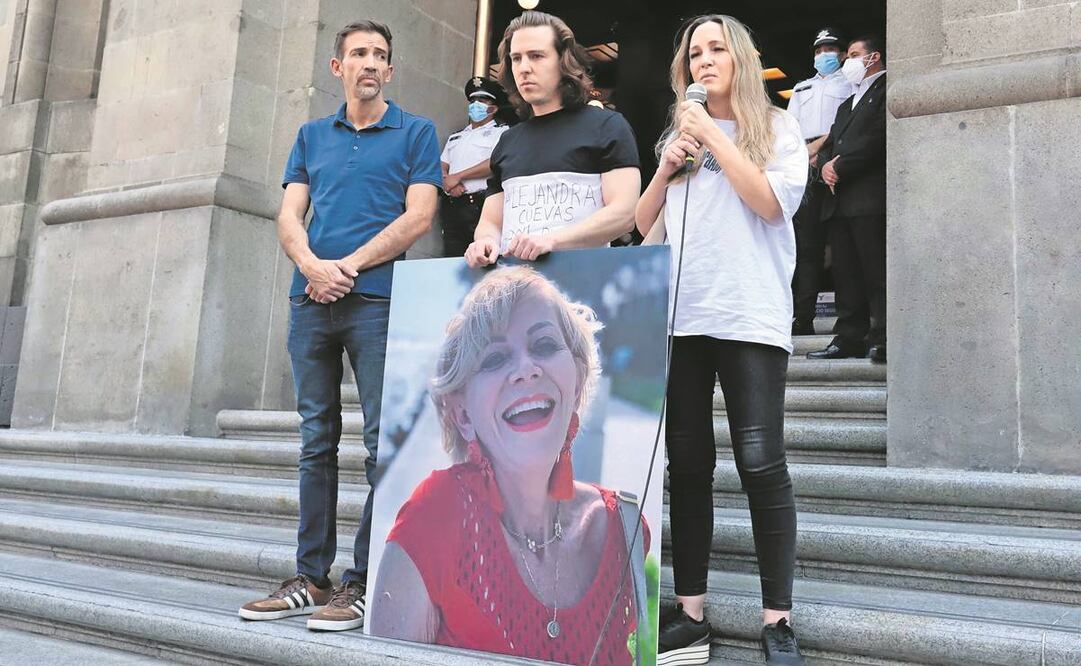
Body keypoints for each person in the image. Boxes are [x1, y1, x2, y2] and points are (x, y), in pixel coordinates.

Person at [238, 20, 442, 631]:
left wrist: (347, 266)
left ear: (391, 69)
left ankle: (361, 580)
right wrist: (310, 267)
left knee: (380, 446)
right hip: (311, 303)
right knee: (315, 441)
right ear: (338, 67)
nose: (370, 63)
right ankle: (310, 575)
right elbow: (289, 215)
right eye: (359, 54)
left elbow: (421, 217)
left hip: (377, 302)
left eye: (381, 54)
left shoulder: (417, 132)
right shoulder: (310, 135)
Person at [634, 14, 808, 666]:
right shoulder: (677, 137)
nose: (703, 60)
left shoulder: (779, 130)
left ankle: (777, 621)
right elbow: (640, 223)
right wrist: (667, 167)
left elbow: (767, 204)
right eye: (692, 53)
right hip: (682, 318)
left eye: (714, 49)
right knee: (688, 467)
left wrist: (714, 136)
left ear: (737, 58)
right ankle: (691, 612)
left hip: (749, 316)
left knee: (761, 462)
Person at [368, 266, 650, 666]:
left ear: (578, 380)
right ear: (463, 414)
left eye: (545, 344)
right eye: (496, 357)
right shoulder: (432, 520)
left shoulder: (625, 527)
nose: (526, 369)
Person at [464, 11, 640, 269]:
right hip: (512, 288)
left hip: (584, 288)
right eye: (516, 58)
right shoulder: (508, 141)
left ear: (564, 62)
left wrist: (552, 241)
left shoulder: (607, 126)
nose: (524, 68)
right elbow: (491, 221)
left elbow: (624, 214)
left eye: (536, 56)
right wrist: (484, 243)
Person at [807, 35, 887, 363]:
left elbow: (878, 136)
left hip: (868, 199)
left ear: (874, 57)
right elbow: (831, 141)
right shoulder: (846, 104)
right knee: (846, 275)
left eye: (854, 54)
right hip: (838, 203)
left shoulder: (886, 90)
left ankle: (882, 336)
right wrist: (825, 162)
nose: (847, 61)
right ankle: (849, 336)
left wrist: (840, 164)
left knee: (875, 272)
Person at [786, 28, 855, 336]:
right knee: (808, 248)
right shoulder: (801, 88)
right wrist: (804, 155)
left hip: (838, 161)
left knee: (844, 246)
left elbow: (849, 122)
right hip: (806, 163)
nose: (823, 54)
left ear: (841, 53)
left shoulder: (851, 82)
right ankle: (802, 317)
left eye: (829, 48)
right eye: (818, 50)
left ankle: (852, 319)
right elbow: (789, 130)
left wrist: (822, 150)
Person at [440, 76, 515, 257]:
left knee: (483, 256)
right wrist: (448, 184)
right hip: (453, 205)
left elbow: (494, 162)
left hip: (481, 205)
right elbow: (442, 164)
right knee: (452, 257)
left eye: (482, 100)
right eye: (473, 100)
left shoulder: (502, 132)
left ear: (493, 108)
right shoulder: (456, 136)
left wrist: (458, 176)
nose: (476, 104)